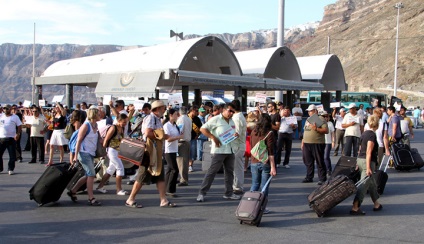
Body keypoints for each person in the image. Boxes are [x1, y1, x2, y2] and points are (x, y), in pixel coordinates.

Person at [125, 100, 176, 208]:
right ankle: (130, 199)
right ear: (157, 109)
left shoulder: (156, 119)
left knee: (160, 177)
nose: (164, 110)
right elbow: (148, 133)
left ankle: (163, 200)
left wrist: (163, 136)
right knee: (142, 176)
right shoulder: (151, 118)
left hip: (156, 153)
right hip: (149, 153)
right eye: (163, 108)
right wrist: (161, 135)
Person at [196, 103, 240, 202]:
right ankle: (202, 193)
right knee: (212, 172)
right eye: (229, 111)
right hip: (219, 150)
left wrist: (235, 135)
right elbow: (202, 129)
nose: (231, 113)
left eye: (233, 111)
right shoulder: (216, 119)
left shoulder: (232, 121)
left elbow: (231, 133)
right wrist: (213, 137)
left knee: (229, 173)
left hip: (230, 149)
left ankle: (229, 193)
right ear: (223, 110)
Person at [67, 106, 102, 206]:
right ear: (94, 115)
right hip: (83, 153)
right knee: (91, 174)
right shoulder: (86, 126)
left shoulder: (95, 125)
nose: (100, 116)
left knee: (88, 175)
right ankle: (91, 198)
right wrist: (75, 156)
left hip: (91, 153)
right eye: (98, 114)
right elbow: (78, 141)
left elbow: (98, 138)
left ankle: (73, 190)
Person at [350, 115, 383, 215]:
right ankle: (355, 207)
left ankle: (376, 203)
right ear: (377, 124)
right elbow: (369, 152)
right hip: (367, 161)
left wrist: (357, 162)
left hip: (360, 159)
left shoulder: (364, 134)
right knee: (364, 184)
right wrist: (368, 167)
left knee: (371, 182)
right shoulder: (372, 135)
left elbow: (360, 149)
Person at [250, 113, 277, 213]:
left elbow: (252, 146)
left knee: (254, 184)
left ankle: (251, 205)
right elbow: (270, 152)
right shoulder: (269, 133)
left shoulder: (253, 132)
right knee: (264, 186)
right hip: (265, 162)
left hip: (254, 161)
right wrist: (273, 167)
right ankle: (262, 207)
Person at [96, 113, 129, 196]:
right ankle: (119, 190)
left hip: (117, 150)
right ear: (118, 120)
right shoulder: (113, 128)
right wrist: (104, 152)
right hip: (112, 150)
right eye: (124, 122)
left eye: (126, 122)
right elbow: (106, 140)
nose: (125, 124)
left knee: (111, 169)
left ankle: (100, 186)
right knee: (120, 168)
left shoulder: (122, 128)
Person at [301, 104, 328, 185]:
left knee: (319, 161)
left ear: (315, 111)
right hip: (307, 143)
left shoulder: (319, 118)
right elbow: (305, 131)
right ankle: (309, 176)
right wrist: (303, 141)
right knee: (308, 161)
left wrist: (316, 128)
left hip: (317, 143)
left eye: (311, 111)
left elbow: (326, 130)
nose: (309, 112)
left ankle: (322, 178)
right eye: (308, 111)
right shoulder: (308, 119)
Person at [163, 108, 184, 196]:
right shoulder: (166, 125)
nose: (177, 116)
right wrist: (178, 137)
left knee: (169, 169)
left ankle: (165, 188)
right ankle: (171, 190)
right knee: (174, 169)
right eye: (176, 114)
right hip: (168, 150)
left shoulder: (174, 125)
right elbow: (168, 138)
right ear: (170, 115)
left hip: (174, 149)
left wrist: (179, 135)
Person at [0, 104, 22, 175]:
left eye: (7, 109)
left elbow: (19, 126)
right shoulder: (1, 116)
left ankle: (10, 169)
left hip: (11, 138)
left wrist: (18, 134)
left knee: (12, 155)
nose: (5, 110)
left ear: (10, 109)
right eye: (4, 109)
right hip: (2, 138)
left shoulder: (15, 117)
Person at [231, 99, 247, 195]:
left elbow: (236, 133)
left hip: (237, 145)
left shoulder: (236, 118)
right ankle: (237, 185)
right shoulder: (240, 116)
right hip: (240, 145)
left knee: (237, 167)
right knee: (238, 167)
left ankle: (237, 186)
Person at [176, 106, 192, 186]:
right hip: (187, 141)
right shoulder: (188, 119)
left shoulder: (181, 119)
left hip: (182, 142)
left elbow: (180, 131)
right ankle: (183, 178)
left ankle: (183, 180)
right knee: (184, 162)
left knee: (181, 162)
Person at [188, 106, 202, 172]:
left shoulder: (197, 119)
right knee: (186, 153)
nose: (197, 112)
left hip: (193, 138)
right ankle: (187, 165)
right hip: (186, 138)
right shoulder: (186, 118)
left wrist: (198, 135)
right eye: (196, 111)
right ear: (192, 110)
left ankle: (190, 165)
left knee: (193, 152)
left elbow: (201, 128)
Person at [322, 111, 335, 176]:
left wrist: (333, 141)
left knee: (326, 157)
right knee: (321, 157)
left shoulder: (330, 124)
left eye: (326, 116)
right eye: (324, 116)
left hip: (328, 142)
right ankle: (324, 169)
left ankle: (329, 169)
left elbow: (332, 133)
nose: (325, 118)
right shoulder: (320, 123)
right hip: (321, 142)